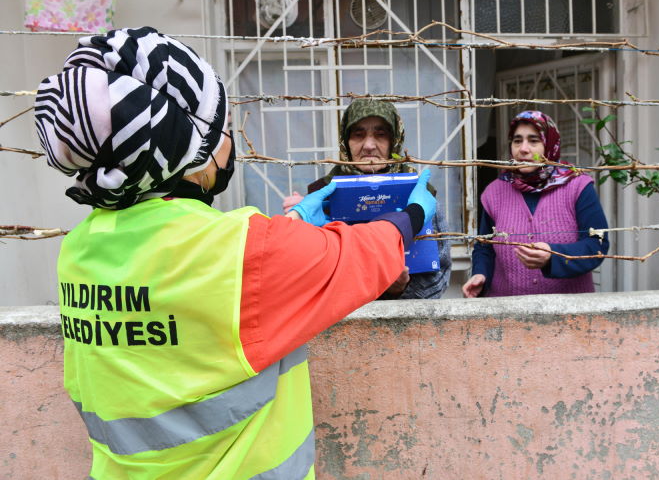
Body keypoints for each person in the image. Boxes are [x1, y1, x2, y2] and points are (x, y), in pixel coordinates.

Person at [34, 27, 437, 479]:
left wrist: (297, 220)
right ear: (191, 149)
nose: (230, 144)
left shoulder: (79, 248)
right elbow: (362, 252)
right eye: (222, 129)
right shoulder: (241, 248)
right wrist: (414, 214)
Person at [283, 99, 451, 299]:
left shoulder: (420, 195)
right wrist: (295, 222)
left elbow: (436, 282)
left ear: (394, 140)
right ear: (346, 140)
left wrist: (398, 289)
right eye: (358, 134)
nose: (369, 146)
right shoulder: (320, 196)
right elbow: (308, 284)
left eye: (380, 135)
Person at [462, 110, 609, 298]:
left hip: (570, 313)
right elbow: (485, 247)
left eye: (533, 140)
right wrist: (480, 274)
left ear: (549, 145)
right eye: (517, 140)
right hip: (507, 312)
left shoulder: (577, 187)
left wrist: (554, 255)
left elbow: (597, 243)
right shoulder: (494, 192)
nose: (523, 149)